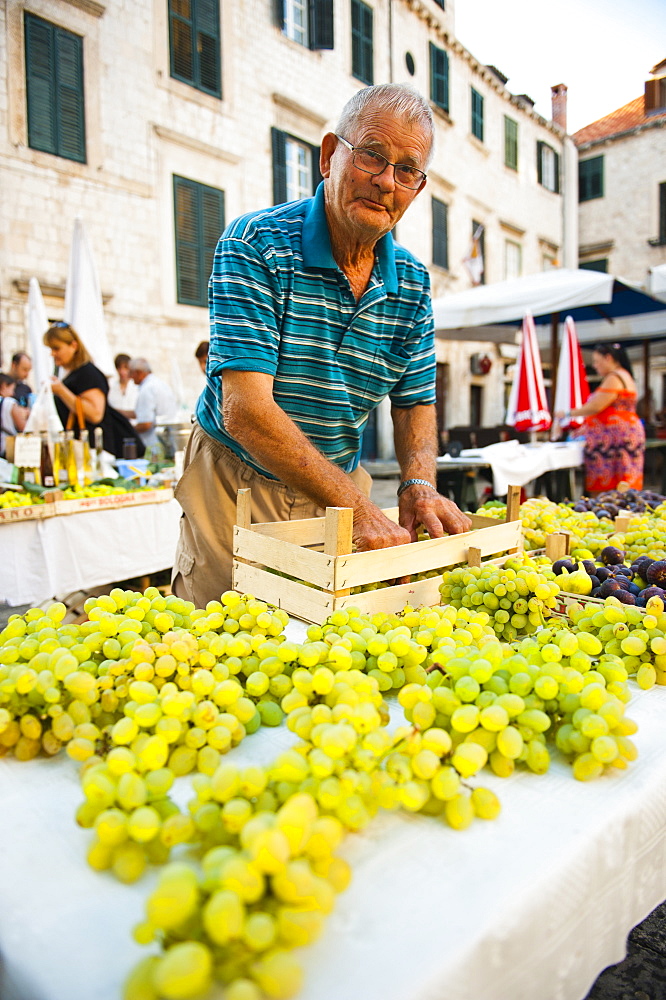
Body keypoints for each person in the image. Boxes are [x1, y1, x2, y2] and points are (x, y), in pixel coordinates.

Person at [172, 83, 471, 608]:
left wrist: (418, 482)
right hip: (235, 479)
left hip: (337, 482)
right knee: (223, 641)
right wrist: (359, 507)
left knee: (325, 640)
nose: (385, 181)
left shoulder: (416, 284)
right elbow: (244, 411)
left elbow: (415, 402)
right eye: (372, 156)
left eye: (406, 170)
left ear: (417, 190)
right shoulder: (254, 243)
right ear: (331, 155)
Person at [556, 342, 645, 494]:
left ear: (608, 358)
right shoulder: (625, 375)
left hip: (615, 439)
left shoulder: (614, 377)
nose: (595, 366)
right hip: (623, 435)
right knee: (623, 485)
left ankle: (611, 515)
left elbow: (596, 406)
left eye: (597, 361)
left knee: (612, 488)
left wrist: (568, 413)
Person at [44, 321, 114, 449]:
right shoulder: (74, 373)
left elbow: (95, 414)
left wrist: (61, 391)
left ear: (74, 346)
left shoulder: (87, 373)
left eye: (56, 348)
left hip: (93, 448)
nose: (52, 354)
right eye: (51, 349)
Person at [128, 358, 178, 451]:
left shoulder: (147, 389)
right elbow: (139, 412)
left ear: (138, 372)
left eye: (131, 373)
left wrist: (127, 430)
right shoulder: (159, 384)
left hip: (154, 444)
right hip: (167, 440)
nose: (130, 377)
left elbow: (145, 424)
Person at [0, 374, 30, 458]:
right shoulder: (9, 403)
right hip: (7, 450)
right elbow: (24, 428)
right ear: (3, 387)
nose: (13, 393)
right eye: (12, 389)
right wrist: (25, 415)